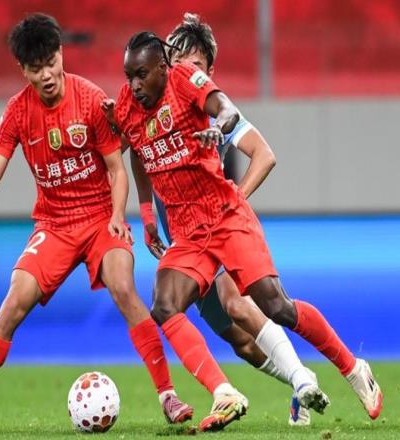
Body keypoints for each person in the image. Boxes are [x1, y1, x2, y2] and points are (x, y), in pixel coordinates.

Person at [113, 30, 383, 430]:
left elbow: (229, 113)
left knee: (275, 307)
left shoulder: (186, 81)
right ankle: (228, 391)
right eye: (129, 76)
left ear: (165, 68)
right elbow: (134, 148)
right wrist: (146, 213)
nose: (134, 85)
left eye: (141, 75)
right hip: (187, 233)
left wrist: (219, 129)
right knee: (167, 306)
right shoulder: (127, 104)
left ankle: (352, 367)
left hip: (225, 216)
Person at [0, 13, 193, 433]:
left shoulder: (89, 99)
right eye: (36, 68)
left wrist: (117, 216)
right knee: (13, 302)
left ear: (61, 54)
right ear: (23, 70)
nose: (46, 75)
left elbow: (117, 169)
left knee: (124, 287)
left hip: (101, 217)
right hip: (54, 224)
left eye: (51, 62)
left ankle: (168, 396)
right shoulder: (16, 112)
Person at [134, 12, 321, 427]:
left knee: (239, 305)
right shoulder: (153, 112)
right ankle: (301, 380)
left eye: (195, 65)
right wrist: (147, 214)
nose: (185, 71)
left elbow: (259, 158)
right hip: (182, 242)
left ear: (209, 72)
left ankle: (295, 379)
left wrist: (233, 203)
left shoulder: (215, 120)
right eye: (177, 61)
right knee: (240, 343)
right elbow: (139, 157)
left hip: (214, 232)